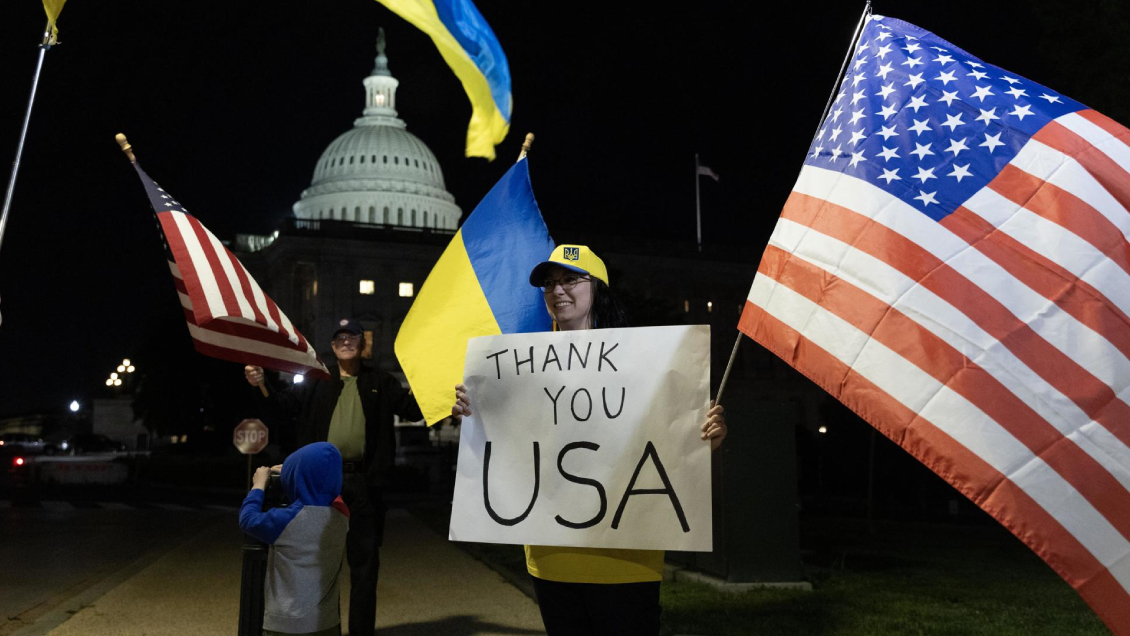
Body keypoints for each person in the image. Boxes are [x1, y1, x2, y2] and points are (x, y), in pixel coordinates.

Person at [452, 244, 727, 636]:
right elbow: (505, 444)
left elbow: (672, 448)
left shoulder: (644, 360)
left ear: (597, 287)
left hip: (627, 554)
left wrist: (707, 438)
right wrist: (473, 412)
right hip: (551, 554)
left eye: (569, 279)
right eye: (548, 283)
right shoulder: (515, 365)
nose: (557, 290)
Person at [245, 318, 423, 636]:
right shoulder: (317, 379)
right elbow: (280, 408)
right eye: (339, 337)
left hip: (366, 485)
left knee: (365, 569)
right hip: (321, 489)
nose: (345, 342)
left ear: (362, 343)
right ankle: (320, 629)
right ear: (331, 345)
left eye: (352, 336)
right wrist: (261, 382)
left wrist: (441, 385)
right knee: (316, 565)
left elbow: (413, 409)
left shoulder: (381, 381)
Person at [239, 442, 349, 636]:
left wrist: (258, 486)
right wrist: (293, 471)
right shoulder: (341, 517)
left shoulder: (288, 520)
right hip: (326, 621)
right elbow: (327, 488)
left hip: (285, 625)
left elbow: (248, 520)